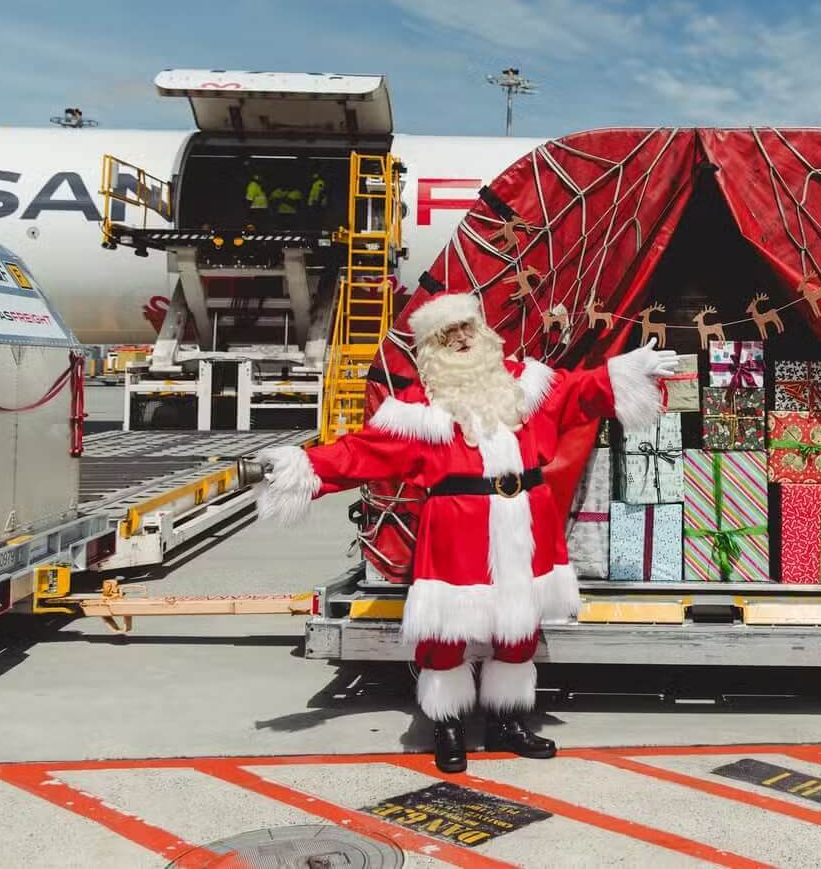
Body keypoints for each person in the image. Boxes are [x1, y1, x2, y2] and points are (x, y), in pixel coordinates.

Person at [249, 292, 676, 773]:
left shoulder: (526, 385)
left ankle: (507, 721)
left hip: (523, 521)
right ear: (429, 349)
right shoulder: (416, 410)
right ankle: (448, 724)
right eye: (446, 334)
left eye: (467, 329)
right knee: (447, 632)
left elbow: (581, 392)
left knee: (518, 627)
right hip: (456, 528)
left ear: (485, 333)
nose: (460, 340)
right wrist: (301, 465)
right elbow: (359, 453)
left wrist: (627, 371)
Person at [244, 160, 270, 225]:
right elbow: (249, 200)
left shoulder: (262, 184)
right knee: (254, 229)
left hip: (262, 210)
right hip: (256, 211)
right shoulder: (253, 185)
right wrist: (248, 213)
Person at [305, 160, 329, 229]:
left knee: (316, 221)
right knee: (312, 221)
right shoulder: (314, 184)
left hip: (317, 206)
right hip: (313, 205)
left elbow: (320, 193)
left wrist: (316, 203)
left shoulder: (320, 183)